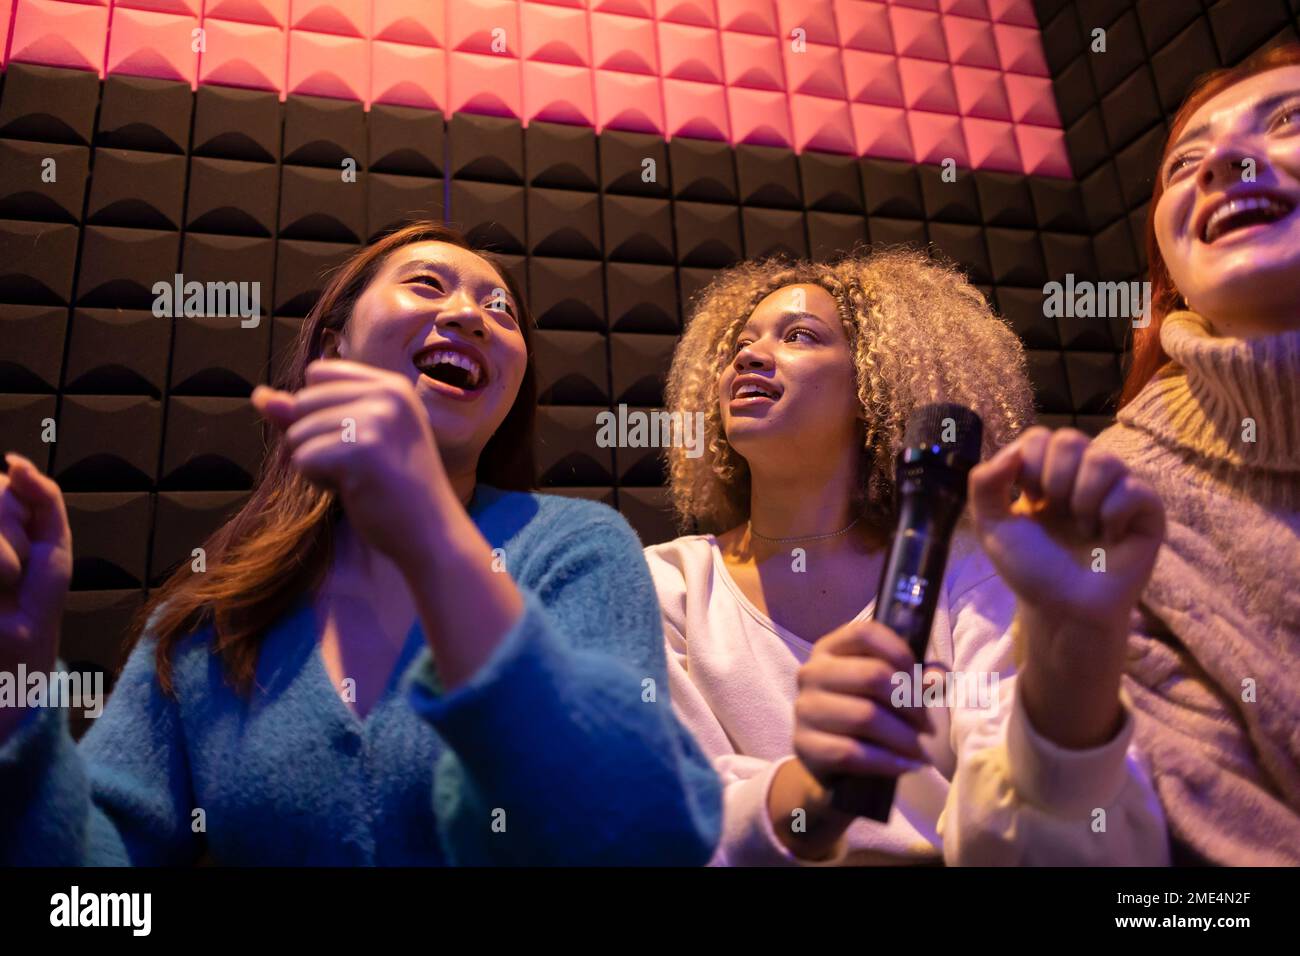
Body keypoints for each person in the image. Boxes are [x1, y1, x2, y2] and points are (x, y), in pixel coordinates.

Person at [0, 220, 721, 865]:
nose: (471, 315)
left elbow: (643, 834)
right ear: (332, 342)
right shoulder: (216, 612)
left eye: (500, 309)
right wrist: (17, 679)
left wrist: (434, 539)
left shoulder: (578, 549)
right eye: (427, 285)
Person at [646, 250, 1170, 865]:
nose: (750, 356)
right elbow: (664, 818)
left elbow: (1051, 828)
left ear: (875, 387)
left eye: (799, 337)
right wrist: (808, 793)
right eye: (743, 341)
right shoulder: (667, 585)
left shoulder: (967, 570)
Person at [1095, 41, 1300, 865]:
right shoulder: (1117, 497)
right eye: (1185, 162)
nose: (1222, 162)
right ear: (1169, 275)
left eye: (1289, 120)